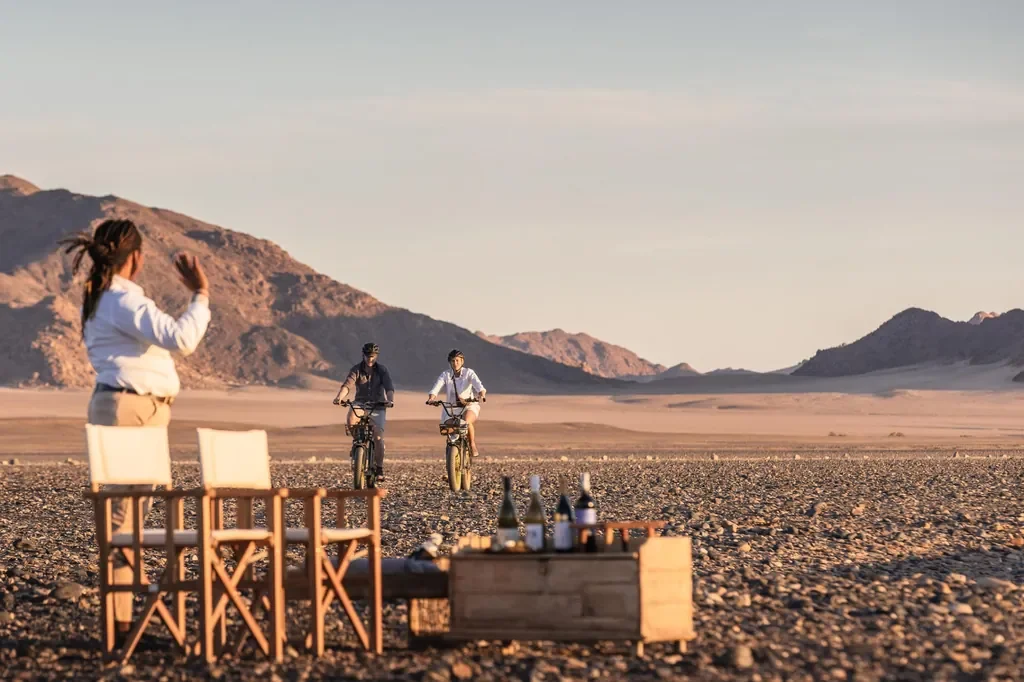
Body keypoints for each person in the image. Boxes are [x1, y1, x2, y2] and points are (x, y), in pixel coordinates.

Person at [59, 218, 211, 639]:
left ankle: (124, 621)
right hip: (131, 409)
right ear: (138, 259)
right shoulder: (123, 301)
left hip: (130, 408)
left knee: (126, 521)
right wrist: (200, 295)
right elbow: (181, 339)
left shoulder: (103, 298)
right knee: (124, 522)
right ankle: (119, 625)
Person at [333, 342, 395, 481]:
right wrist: (339, 397)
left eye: (372, 356)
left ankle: (379, 468)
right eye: (367, 356)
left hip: (378, 406)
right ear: (363, 355)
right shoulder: (356, 369)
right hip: (360, 403)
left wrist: (390, 400)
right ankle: (358, 445)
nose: (370, 359)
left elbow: (389, 387)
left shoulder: (382, 370)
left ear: (376, 356)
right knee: (350, 419)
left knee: (378, 437)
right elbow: (347, 385)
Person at [426, 349, 487, 457]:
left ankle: (472, 444)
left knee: (467, 421)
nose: (455, 363)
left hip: (468, 405)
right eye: (453, 361)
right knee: (447, 429)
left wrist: (481, 394)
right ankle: (451, 453)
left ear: (462, 361)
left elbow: (478, 385)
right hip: (452, 407)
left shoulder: (469, 373)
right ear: (450, 362)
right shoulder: (446, 374)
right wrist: (431, 398)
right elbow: (436, 387)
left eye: (457, 360)